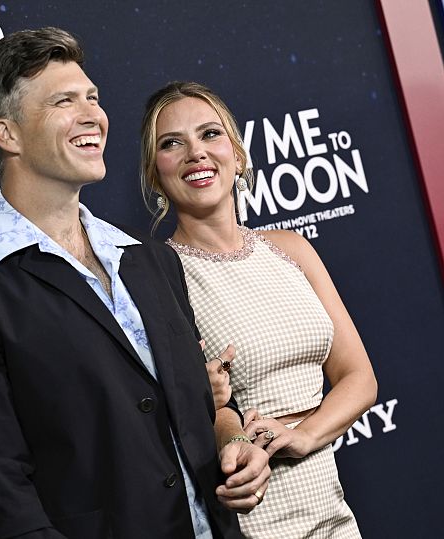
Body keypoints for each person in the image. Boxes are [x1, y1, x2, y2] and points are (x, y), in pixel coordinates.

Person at [0, 29, 270, 539]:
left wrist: (234, 446)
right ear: (6, 135)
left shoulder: (149, 260)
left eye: (93, 98)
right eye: (64, 102)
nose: (93, 117)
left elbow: (202, 406)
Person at [139, 81, 378, 538]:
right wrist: (236, 438)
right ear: (155, 174)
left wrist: (305, 434)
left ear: (238, 153)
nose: (196, 153)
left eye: (210, 134)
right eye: (172, 143)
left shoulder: (291, 249)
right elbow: (206, 408)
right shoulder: (161, 279)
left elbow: (359, 378)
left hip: (332, 512)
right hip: (251, 515)